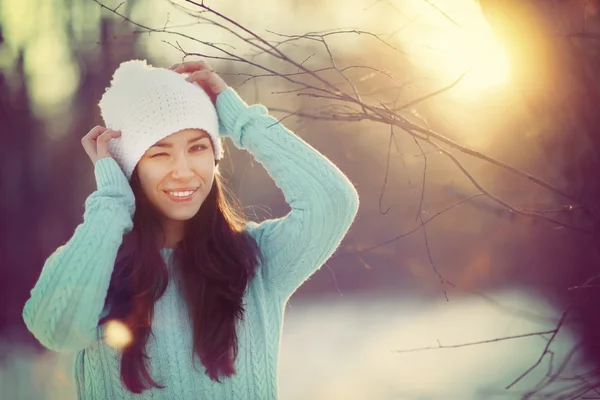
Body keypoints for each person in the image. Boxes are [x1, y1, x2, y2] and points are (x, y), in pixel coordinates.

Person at [22, 59, 359, 399]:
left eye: (197, 147)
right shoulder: (93, 267)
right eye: (159, 154)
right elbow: (56, 328)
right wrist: (111, 198)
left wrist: (241, 121)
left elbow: (333, 202)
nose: (183, 171)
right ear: (130, 169)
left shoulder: (257, 262)